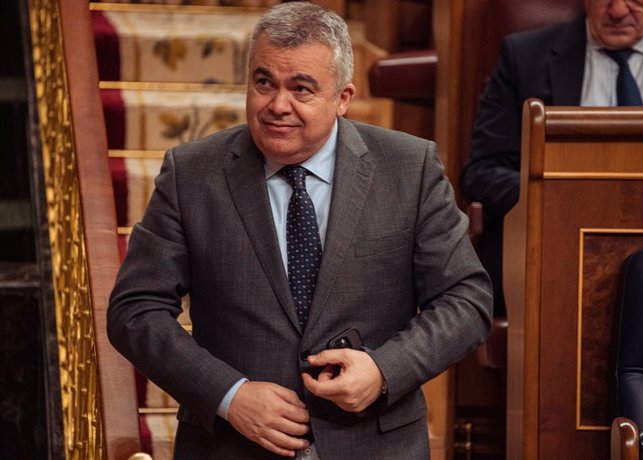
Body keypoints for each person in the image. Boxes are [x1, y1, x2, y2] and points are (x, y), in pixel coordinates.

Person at [108, 2, 493, 459]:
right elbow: (135, 310)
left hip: (375, 444)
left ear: (343, 97)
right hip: (233, 445)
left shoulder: (409, 168)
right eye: (264, 82)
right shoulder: (192, 173)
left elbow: (467, 299)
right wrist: (229, 396)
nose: (277, 105)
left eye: (302, 89)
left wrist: (384, 370)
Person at [460, 0, 643, 316]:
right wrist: (565, 201)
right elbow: (483, 172)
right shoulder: (525, 56)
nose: (619, 11)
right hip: (554, 252)